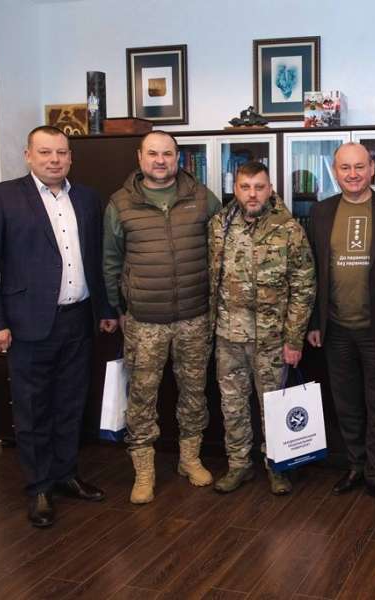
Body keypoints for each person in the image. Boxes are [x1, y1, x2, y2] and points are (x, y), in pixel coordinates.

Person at [0, 126, 117, 528]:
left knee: (71, 403)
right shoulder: (1, 197)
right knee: (33, 408)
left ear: (70, 157)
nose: (54, 159)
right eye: (46, 152)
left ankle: (66, 474)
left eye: (61, 153)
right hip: (27, 324)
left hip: (78, 319)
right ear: (28, 155)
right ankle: (39, 486)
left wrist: (105, 308)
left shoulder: (86, 198)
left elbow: (96, 259)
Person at [103, 131, 222, 504]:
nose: (160, 160)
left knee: (194, 393)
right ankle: (144, 472)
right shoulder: (120, 203)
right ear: (139, 157)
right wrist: (119, 309)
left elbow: (222, 250)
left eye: (167, 154)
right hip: (144, 320)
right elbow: (111, 260)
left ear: (178, 158)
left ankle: (190, 459)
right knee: (142, 397)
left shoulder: (202, 197)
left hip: (194, 317)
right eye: (153, 153)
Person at [306, 142, 375, 510]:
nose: (352, 174)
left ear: (372, 169)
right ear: (335, 172)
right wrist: (315, 322)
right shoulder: (321, 212)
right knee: (347, 403)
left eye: (359, 167)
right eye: (345, 168)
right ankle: (355, 465)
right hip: (335, 328)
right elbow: (314, 271)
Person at [207, 161, 315, 495]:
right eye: (245, 187)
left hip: (272, 338)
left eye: (259, 187)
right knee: (232, 405)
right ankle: (239, 465)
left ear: (270, 189)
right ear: (235, 189)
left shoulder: (288, 229)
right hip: (228, 336)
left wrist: (294, 339)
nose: (252, 194)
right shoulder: (219, 225)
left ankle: (277, 466)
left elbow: (304, 286)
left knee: (274, 406)